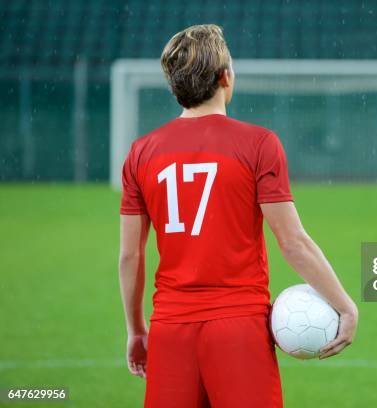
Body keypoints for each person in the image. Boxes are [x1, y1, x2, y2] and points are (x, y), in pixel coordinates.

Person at [118, 24, 358, 408]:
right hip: (239, 330)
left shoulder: (141, 152)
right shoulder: (258, 144)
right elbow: (292, 242)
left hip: (170, 331)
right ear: (225, 77)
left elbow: (131, 256)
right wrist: (345, 305)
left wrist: (136, 330)